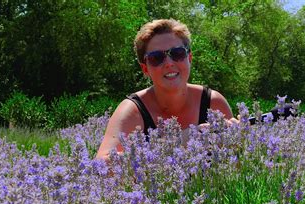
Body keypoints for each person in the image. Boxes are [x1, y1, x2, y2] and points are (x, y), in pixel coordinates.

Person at [96, 19, 238, 160]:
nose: (169, 63)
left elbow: (235, 171)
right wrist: (177, 143)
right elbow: (99, 167)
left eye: (177, 53)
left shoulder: (213, 103)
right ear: (145, 69)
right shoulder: (133, 111)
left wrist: (238, 145)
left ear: (189, 58)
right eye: (156, 58)